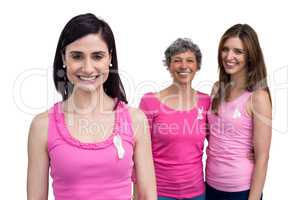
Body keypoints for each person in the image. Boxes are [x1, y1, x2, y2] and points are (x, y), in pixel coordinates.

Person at [27, 13, 156, 200]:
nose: (88, 68)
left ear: (109, 58)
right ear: (64, 58)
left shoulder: (136, 120)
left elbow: (146, 196)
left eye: (97, 56)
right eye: (77, 56)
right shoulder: (42, 126)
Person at [205, 24, 272, 200]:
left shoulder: (258, 97)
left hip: (240, 190)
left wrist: (254, 197)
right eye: (225, 49)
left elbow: (263, 156)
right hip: (210, 184)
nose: (229, 56)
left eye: (238, 51)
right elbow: (212, 133)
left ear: (251, 56)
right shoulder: (216, 89)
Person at [138, 38, 209, 200]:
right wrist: (139, 192)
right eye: (177, 60)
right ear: (169, 65)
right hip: (159, 193)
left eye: (190, 61)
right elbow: (139, 152)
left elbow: (218, 141)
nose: (184, 66)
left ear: (197, 66)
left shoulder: (206, 102)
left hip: (197, 193)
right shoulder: (150, 102)